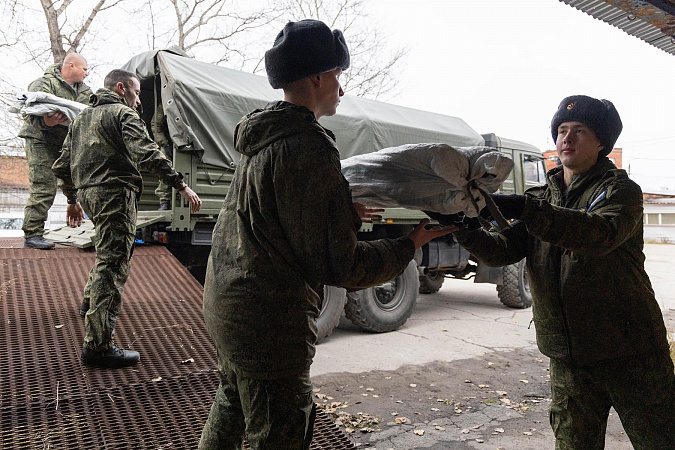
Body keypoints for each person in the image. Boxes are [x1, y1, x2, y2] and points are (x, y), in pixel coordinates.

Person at [198, 19, 455, 449]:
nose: (340, 88)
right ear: (318, 77)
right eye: (337, 76)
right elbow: (340, 265)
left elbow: (276, 219)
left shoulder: (262, 137)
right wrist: (407, 245)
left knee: (233, 403)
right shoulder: (307, 145)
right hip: (269, 319)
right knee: (278, 429)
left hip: (229, 305)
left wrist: (343, 213)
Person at [439, 95, 675, 449]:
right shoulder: (541, 197)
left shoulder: (620, 191)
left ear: (601, 143)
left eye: (579, 131)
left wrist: (526, 210)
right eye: (562, 130)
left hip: (631, 353)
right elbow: (503, 251)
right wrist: (462, 226)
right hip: (570, 360)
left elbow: (599, 234)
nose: (567, 138)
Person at [52, 69, 202, 369]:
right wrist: (181, 185)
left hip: (90, 196)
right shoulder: (122, 114)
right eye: (135, 93)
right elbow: (148, 153)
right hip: (115, 194)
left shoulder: (82, 118)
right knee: (114, 262)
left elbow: (61, 164)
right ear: (121, 88)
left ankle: (89, 302)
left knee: (107, 253)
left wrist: (72, 199)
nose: (138, 102)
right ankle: (98, 345)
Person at [19, 53, 92, 249]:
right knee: (44, 184)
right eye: (84, 69)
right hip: (41, 139)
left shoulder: (85, 91)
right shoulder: (44, 84)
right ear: (71, 66)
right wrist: (47, 121)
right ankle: (33, 233)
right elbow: (30, 108)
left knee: (76, 176)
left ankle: (74, 204)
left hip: (67, 141)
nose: (87, 73)